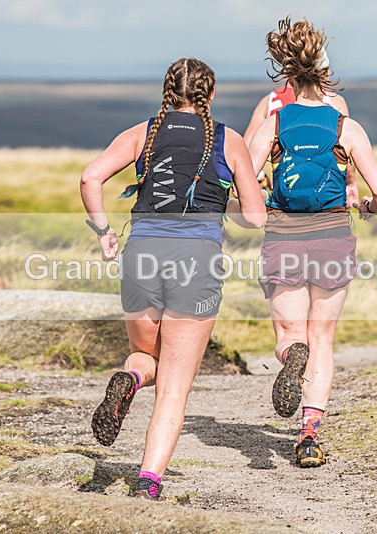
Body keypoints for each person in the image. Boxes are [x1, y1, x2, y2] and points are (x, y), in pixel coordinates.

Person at [80, 58, 265, 499]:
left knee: (146, 358)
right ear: (211, 95)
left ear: (166, 92)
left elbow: (90, 177)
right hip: (196, 260)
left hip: (141, 254)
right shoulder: (228, 140)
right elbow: (255, 219)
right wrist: (230, 199)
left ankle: (131, 379)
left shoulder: (141, 133)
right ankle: (148, 483)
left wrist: (104, 232)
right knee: (175, 387)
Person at [248, 17, 377, 468]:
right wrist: (370, 208)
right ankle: (309, 435)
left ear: (285, 71)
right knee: (323, 337)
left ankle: (292, 358)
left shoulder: (273, 123)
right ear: (325, 72)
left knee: (291, 335)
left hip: (284, 233)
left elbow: (245, 180)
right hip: (332, 235)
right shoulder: (346, 125)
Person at [242, 47, 360, 207]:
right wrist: (350, 184)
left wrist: (259, 180)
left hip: (284, 205)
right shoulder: (335, 102)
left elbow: (246, 155)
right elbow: (346, 155)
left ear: (290, 76)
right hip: (328, 207)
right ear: (326, 73)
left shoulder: (270, 102)